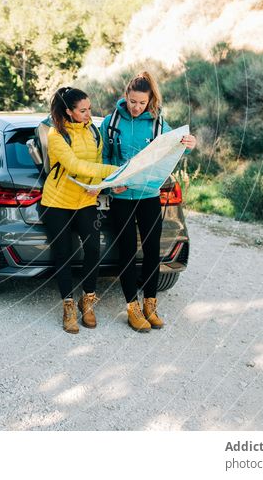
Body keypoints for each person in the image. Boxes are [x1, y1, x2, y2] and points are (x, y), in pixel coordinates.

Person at [99, 71, 197, 332]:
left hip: (149, 195)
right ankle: (132, 308)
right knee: (127, 251)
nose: (136, 107)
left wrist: (189, 144)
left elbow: (175, 148)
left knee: (153, 250)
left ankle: (150, 305)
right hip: (121, 197)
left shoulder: (157, 124)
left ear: (150, 100)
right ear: (126, 96)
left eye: (141, 103)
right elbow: (105, 159)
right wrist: (111, 182)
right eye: (132, 101)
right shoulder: (110, 122)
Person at [40, 87, 120, 334]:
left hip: (85, 201)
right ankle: (68, 307)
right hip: (57, 203)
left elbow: (94, 163)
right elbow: (74, 165)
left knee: (94, 249)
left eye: (89, 109)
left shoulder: (94, 131)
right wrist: (113, 172)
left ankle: (88, 301)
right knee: (63, 254)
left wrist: (98, 185)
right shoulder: (56, 135)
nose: (88, 114)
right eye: (82, 110)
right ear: (68, 111)